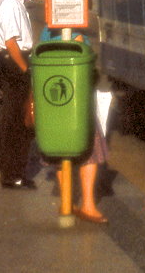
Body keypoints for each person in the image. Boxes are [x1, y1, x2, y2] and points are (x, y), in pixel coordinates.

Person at [41, 26, 111, 224]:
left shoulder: (46, 33)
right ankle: (87, 204)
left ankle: (67, 201)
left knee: (59, 149)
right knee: (91, 151)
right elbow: (87, 66)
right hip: (79, 103)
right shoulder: (79, 37)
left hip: (53, 107)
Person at [0, 0, 36, 190]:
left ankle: (16, 170)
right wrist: (25, 69)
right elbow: (10, 42)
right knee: (15, 121)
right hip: (14, 63)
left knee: (20, 120)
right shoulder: (10, 4)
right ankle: (11, 174)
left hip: (15, 61)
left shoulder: (15, 2)